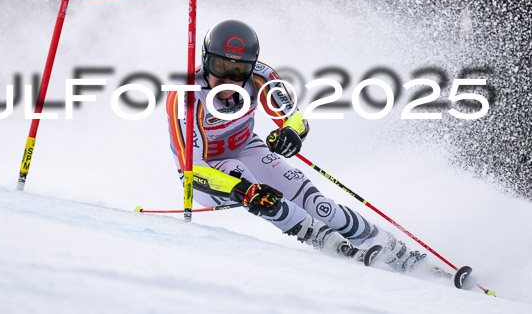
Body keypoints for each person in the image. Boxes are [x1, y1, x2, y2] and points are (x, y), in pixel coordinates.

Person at [166, 19, 426, 270]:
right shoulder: (186, 96)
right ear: (205, 60)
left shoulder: (261, 77)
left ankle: (397, 252)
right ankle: (325, 240)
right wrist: (242, 190)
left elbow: (296, 118)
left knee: (319, 205)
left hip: (246, 147)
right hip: (203, 174)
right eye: (220, 66)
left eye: (239, 71)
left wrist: (290, 133)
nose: (229, 80)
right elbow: (193, 169)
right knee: (253, 186)